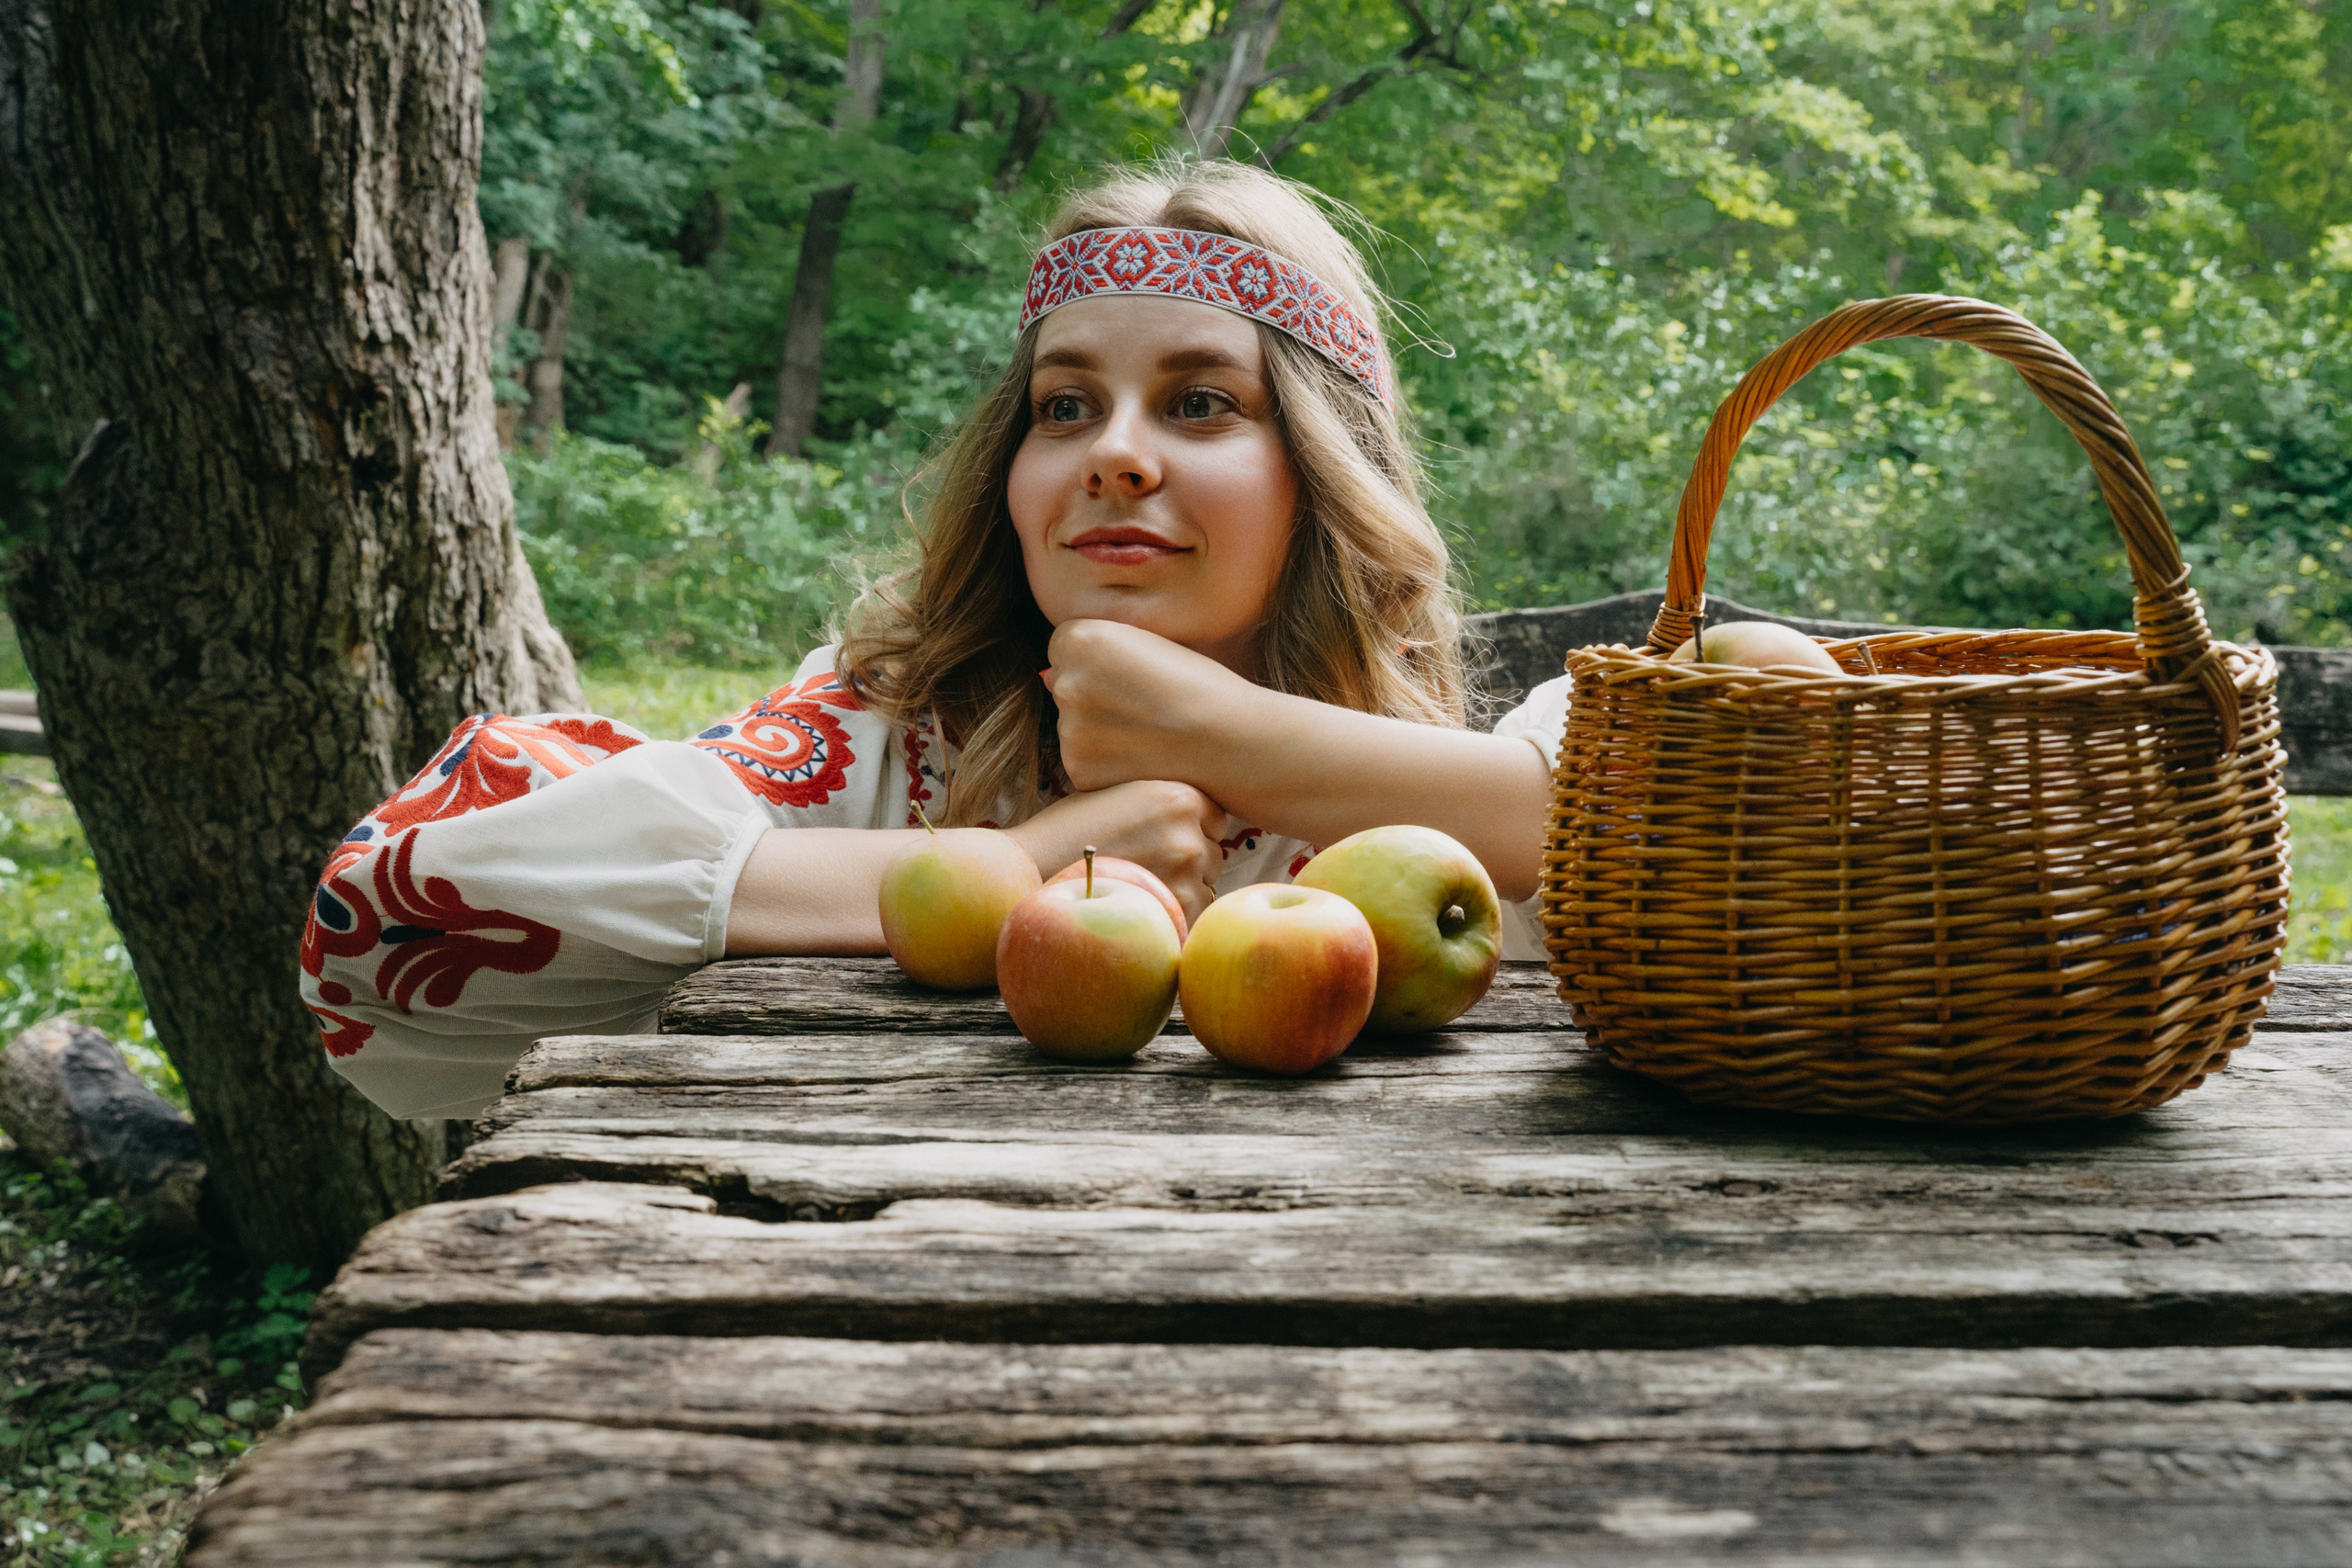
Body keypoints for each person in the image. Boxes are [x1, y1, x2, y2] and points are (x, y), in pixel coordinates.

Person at [300, 160, 1572, 1120]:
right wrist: (1010, 869)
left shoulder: (1417, 845)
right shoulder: (899, 736)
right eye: (1065, 405)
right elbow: (381, 912)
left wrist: (1242, 742)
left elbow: (1738, 811)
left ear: (1324, 468)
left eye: (1200, 403)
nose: (1116, 453)